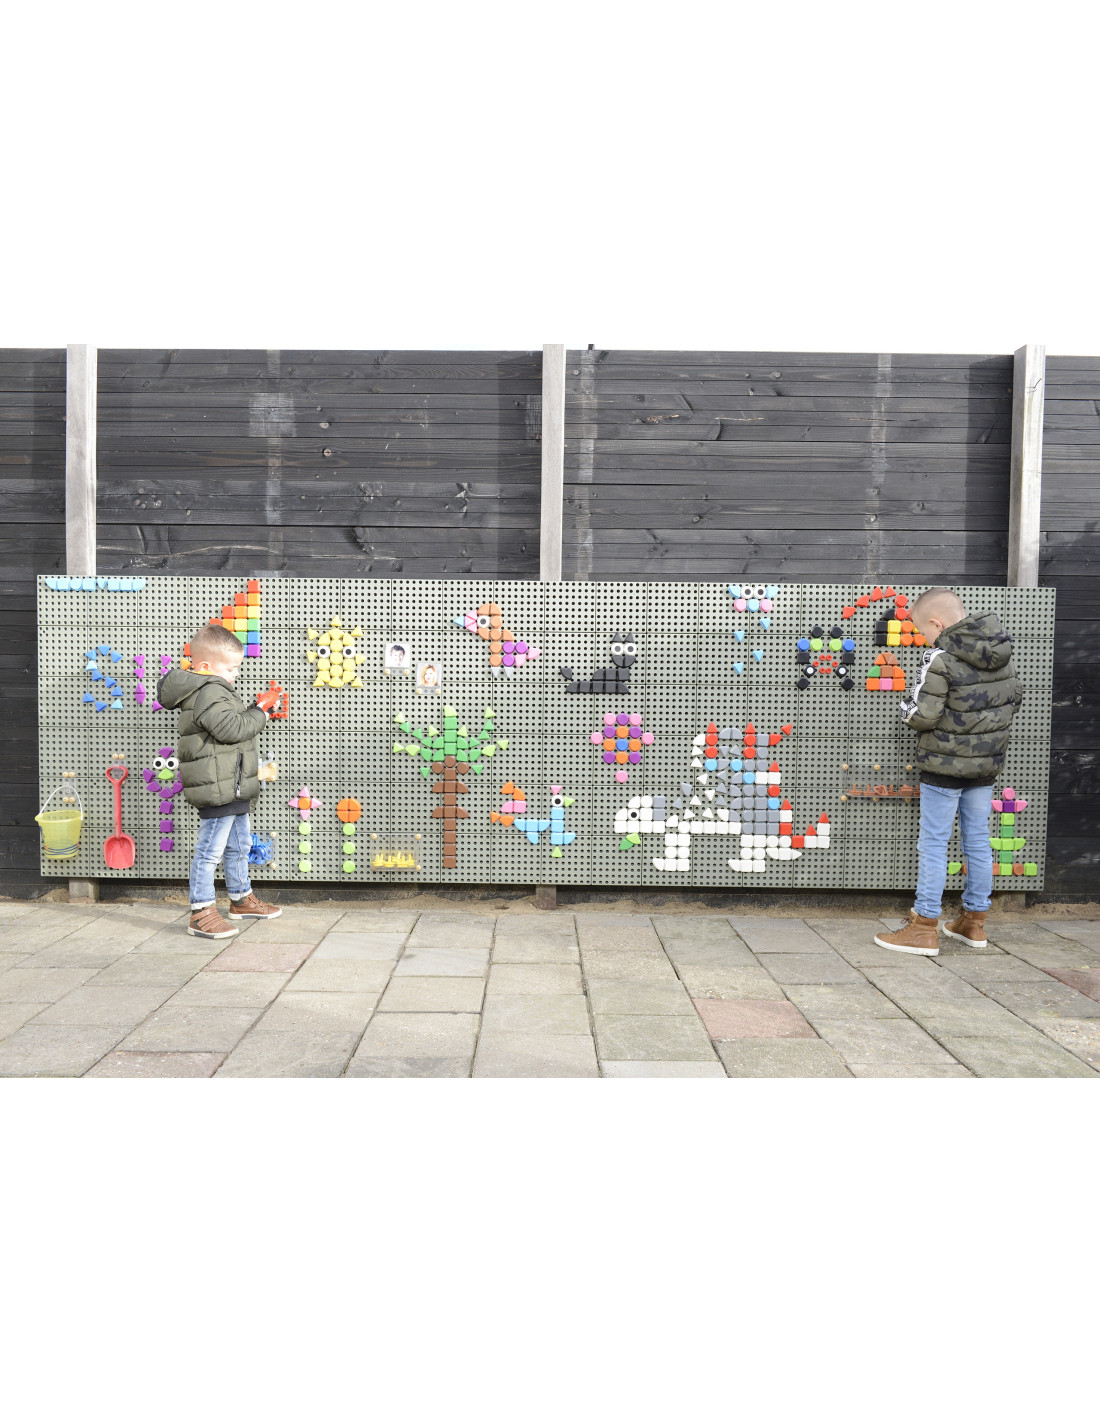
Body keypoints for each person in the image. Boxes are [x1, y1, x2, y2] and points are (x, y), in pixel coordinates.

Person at [874, 588, 1024, 956]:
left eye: (923, 630)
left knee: (934, 843)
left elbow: (923, 714)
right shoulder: (1001, 653)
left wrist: (905, 709)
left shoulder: (940, 658)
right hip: (985, 766)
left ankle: (923, 926)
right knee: (977, 841)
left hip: (944, 766)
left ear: (937, 623)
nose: (925, 638)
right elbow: (1014, 700)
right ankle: (974, 922)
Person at [158, 624, 284, 939]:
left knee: (239, 845)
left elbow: (229, 726)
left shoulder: (213, 689)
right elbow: (231, 730)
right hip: (218, 786)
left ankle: (240, 899)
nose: (235, 674)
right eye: (231, 668)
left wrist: (254, 711)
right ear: (205, 666)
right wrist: (261, 711)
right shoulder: (209, 689)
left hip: (231, 784)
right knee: (210, 851)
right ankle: (200, 912)